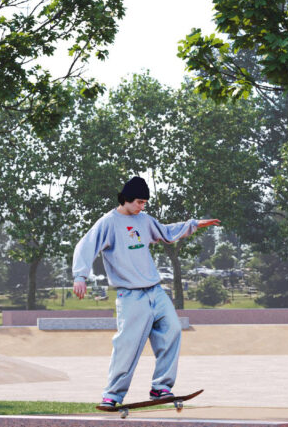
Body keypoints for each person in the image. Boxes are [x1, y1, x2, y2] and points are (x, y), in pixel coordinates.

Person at [71, 175, 219, 408]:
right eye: (139, 202)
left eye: (144, 203)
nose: (142, 206)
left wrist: (194, 225)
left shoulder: (145, 220)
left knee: (172, 330)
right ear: (127, 199)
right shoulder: (108, 223)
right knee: (128, 345)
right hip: (130, 295)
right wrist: (80, 276)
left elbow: (167, 232)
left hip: (155, 291)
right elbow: (86, 246)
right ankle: (112, 394)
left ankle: (161, 388)